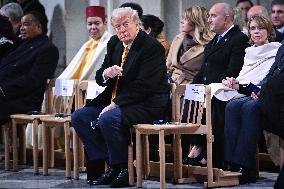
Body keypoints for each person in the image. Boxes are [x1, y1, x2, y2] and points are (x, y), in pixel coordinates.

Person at [71, 7, 169, 187]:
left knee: (108, 118)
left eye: (126, 24)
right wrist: (106, 74)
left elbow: (145, 86)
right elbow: (101, 75)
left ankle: (123, 168)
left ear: (137, 24)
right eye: (117, 26)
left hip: (147, 103)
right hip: (119, 101)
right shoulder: (114, 42)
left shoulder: (151, 47)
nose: (122, 30)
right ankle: (109, 163)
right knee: (80, 117)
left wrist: (115, 104)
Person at [187, 2, 249, 168]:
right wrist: (192, 88)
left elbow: (233, 70)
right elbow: (204, 69)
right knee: (187, 100)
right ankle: (196, 148)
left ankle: (208, 155)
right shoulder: (216, 39)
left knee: (211, 104)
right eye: (209, 16)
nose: (209, 20)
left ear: (227, 19)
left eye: (213, 16)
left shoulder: (238, 38)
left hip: (225, 89)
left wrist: (208, 87)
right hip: (209, 89)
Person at [223, 14, 281, 184]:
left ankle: (245, 166)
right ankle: (232, 162)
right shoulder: (249, 52)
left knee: (250, 108)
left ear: (268, 30)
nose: (257, 32)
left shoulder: (275, 49)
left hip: (268, 95)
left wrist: (256, 89)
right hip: (248, 93)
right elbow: (245, 78)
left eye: (261, 28)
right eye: (253, 28)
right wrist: (234, 83)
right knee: (232, 106)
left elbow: (270, 78)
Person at [0, 11, 59, 125]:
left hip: (24, 99)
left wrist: (3, 89)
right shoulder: (20, 44)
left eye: (26, 24)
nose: (21, 28)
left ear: (38, 27)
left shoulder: (47, 49)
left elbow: (33, 80)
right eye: (21, 25)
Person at [58, 6, 111, 80]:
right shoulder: (87, 45)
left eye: (97, 23)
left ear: (105, 23)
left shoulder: (111, 43)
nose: (93, 27)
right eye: (89, 24)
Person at [167, 6, 214, 85]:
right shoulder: (178, 38)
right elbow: (168, 65)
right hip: (172, 85)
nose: (182, 21)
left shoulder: (210, 44)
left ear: (195, 21)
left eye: (185, 19)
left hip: (194, 87)